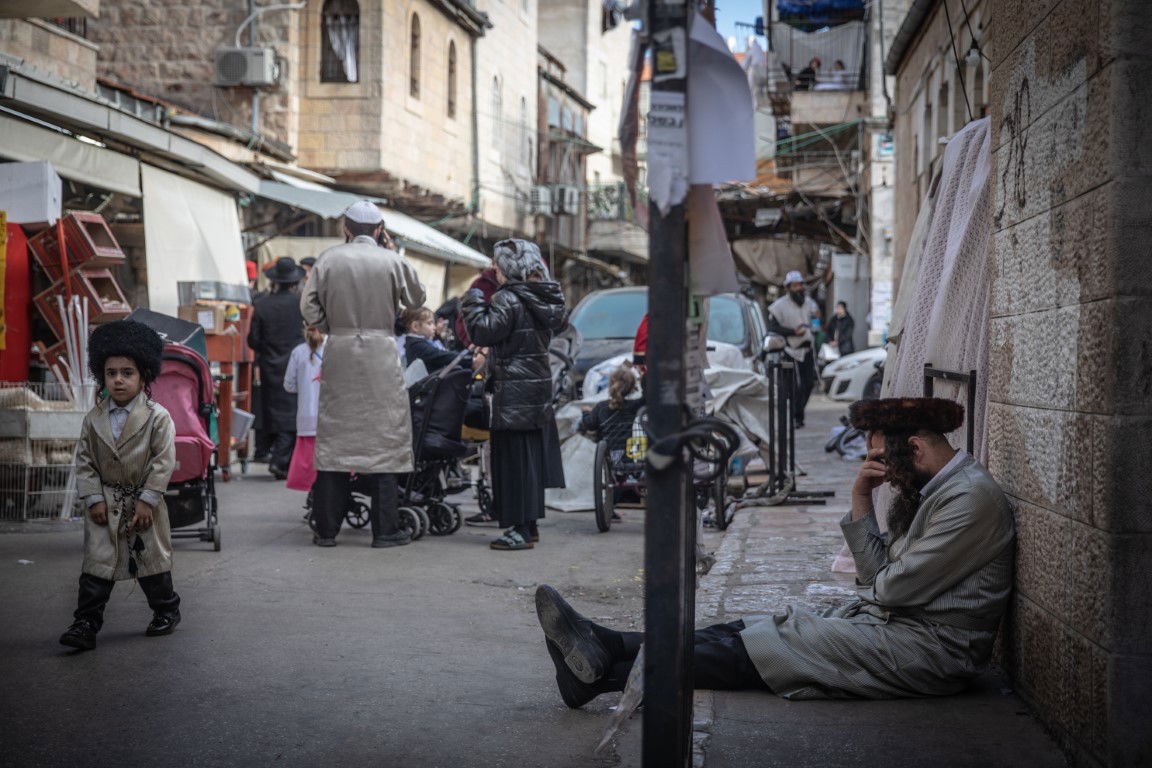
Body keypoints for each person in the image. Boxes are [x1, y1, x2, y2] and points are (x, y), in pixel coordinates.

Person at [534, 397, 1015, 706]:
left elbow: (886, 588)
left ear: (915, 448)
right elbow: (880, 580)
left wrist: (868, 533)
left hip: (931, 650)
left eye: (884, 462)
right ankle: (608, 644)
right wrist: (861, 498)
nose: (885, 475)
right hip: (897, 624)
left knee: (772, 647)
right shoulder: (938, 490)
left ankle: (604, 675)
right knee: (750, 628)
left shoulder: (968, 500)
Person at [301, 200, 426, 548]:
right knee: (383, 440)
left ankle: (326, 530)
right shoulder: (391, 260)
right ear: (379, 229)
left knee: (335, 440)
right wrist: (393, 254)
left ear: (346, 227)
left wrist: (331, 326)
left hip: (340, 351)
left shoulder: (328, 259)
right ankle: (385, 531)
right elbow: (417, 298)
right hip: (381, 354)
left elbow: (308, 306)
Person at [59, 321, 181, 651]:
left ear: (143, 376)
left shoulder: (158, 417)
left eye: (127, 373)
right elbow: (84, 461)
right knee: (97, 566)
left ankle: (167, 610)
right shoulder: (93, 418)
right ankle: (85, 623)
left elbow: (163, 460)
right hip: (106, 503)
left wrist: (148, 499)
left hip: (143, 503)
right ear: (102, 376)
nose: (118, 380)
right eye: (111, 373)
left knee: (151, 564)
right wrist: (93, 498)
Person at [461, 239, 567, 550]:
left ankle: (520, 530)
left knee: (513, 462)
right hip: (535, 389)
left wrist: (472, 300)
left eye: (497, 263)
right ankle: (529, 526)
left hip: (513, 390)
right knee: (528, 460)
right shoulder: (543, 295)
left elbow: (482, 331)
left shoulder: (509, 298)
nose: (494, 269)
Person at [248, 257, 306, 479]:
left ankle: (274, 454)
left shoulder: (262, 305)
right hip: (296, 363)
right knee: (292, 411)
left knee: (271, 410)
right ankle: (281, 460)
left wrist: (268, 349)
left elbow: (253, 340)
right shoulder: (301, 305)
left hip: (269, 364)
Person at [767, 271, 821, 427]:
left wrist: (817, 318)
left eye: (800, 285)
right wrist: (793, 332)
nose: (798, 288)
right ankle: (797, 417)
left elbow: (816, 321)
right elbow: (773, 328)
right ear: (788, 288)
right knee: (794, 387)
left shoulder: (809, 303)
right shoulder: (779, 306)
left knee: (808, 384)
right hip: (790, 350)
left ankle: (798, 412)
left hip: (807, 349)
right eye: (795, 286)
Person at [283, 324, 325, 495]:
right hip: (330, 418)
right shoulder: (333, 349)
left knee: (308, 462)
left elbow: (289, 385)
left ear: (305, 326)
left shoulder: (298, 352)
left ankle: (312, 493)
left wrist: (305, 386)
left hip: (307, 417)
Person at [400, 306, 480, 375]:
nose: (434, 327)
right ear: (415, 326)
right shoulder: (416, 345)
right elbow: (442, 356)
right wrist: (471, 360)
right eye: (429, 323)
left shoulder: (414, 343)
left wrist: (468, 352)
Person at [455, 266, 500, 348]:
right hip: (479, 346)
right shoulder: (481, 283)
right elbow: (465, 317)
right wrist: (472, 343)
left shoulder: (518, 283)